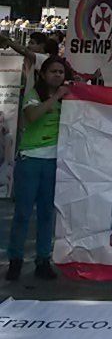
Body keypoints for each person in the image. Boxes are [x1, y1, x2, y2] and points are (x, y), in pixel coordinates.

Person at [6, 55, 70, 280]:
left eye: (61, 72)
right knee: (23, 214)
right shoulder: (33, 94)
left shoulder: (68, 98)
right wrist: (56, 98)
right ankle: (15, 260)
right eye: (53, 71)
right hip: (30, 160)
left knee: (46, 214)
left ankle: (43, 259)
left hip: (54, 162)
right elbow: (32, 116)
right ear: (43, 74)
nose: (57, 75)